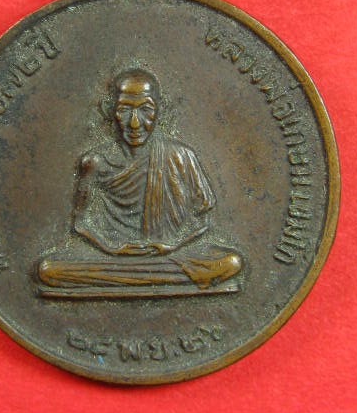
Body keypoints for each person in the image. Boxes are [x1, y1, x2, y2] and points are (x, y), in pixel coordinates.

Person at [38, 69, 241, 293]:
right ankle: (156, 278)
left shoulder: (181, 156)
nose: (135, 123)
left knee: (231, 262)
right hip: (113, 258)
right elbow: (81, 223)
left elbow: (202, 221)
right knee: (49, 270)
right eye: (125, 110)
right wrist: (112, 248)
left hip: (170, 255)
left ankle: (137, 277)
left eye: (146, 110)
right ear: (110, 110)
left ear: (161, 111)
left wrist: (172, 245)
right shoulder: (95, 162)